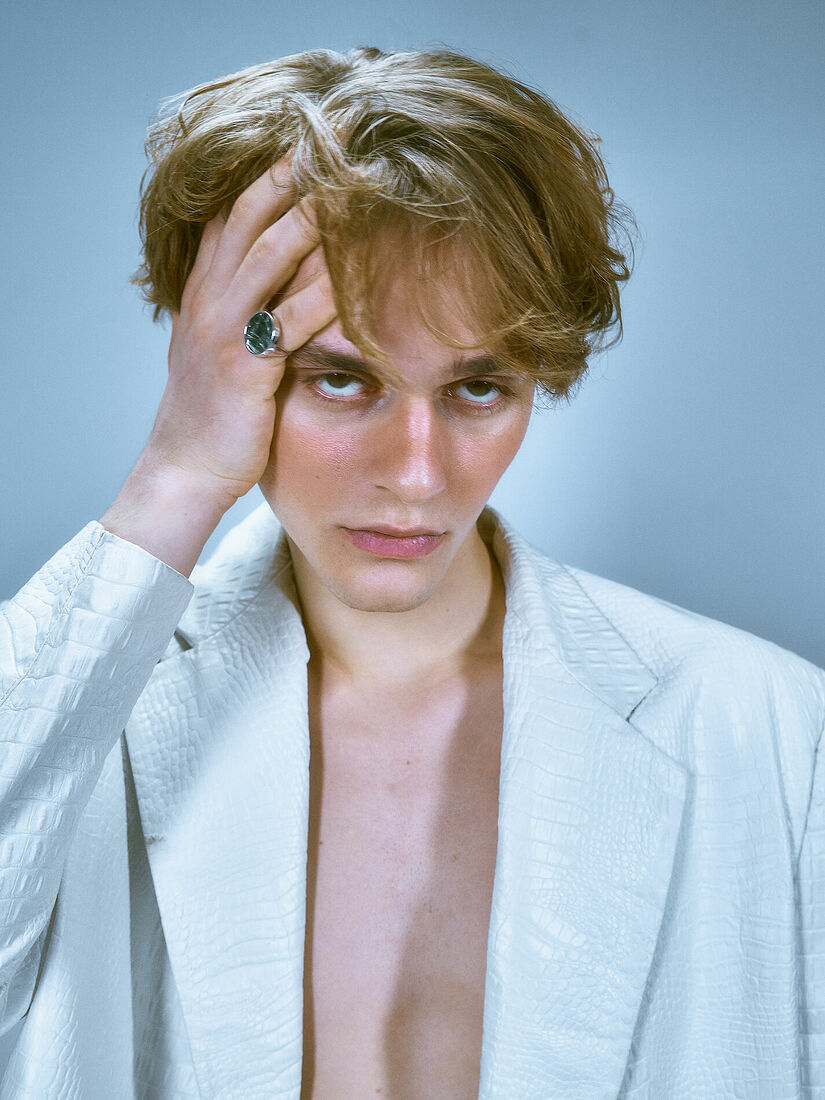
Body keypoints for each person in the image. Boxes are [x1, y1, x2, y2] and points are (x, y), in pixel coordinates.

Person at [0, 44, 823, 1100]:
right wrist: (177, 473)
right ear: (212, 361)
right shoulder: (79, 711)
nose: (418, 473)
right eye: (343, 380)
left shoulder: (771, 728)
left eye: (479, 388)